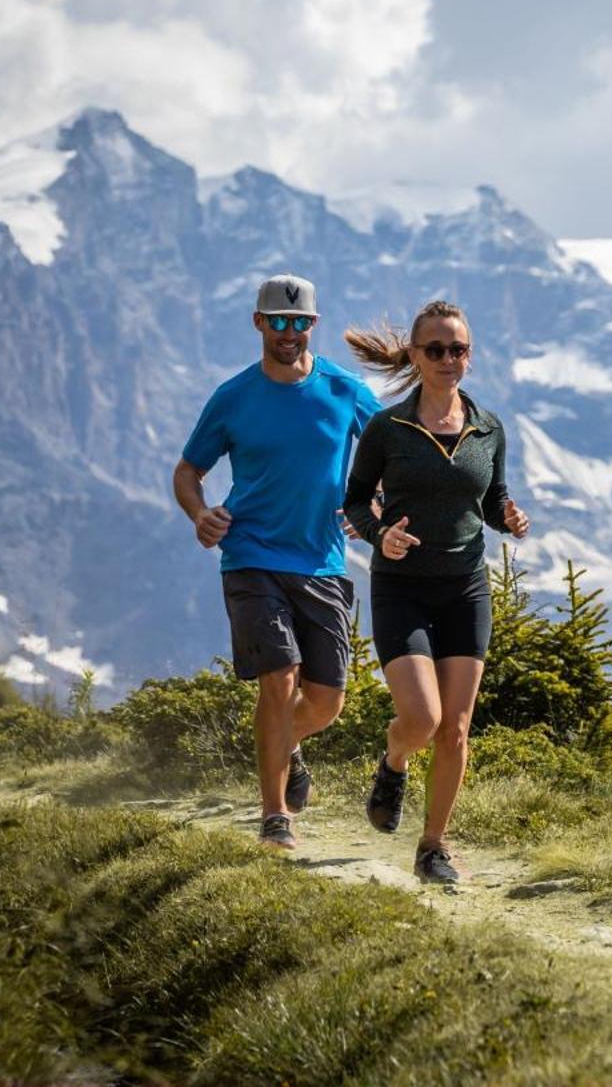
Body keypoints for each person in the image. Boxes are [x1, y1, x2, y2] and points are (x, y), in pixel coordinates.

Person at [174, 274, 381, 850]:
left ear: (312, 325)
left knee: (326, 702)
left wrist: (377, 503)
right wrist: (200, 515)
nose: (289, 333)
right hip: (251, 555)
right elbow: (188, 471)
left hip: (322, 562)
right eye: (278, 321)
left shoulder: (345, 390)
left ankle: (283, 743)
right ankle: (275, 816)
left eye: (300, 322)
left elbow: (394, 450)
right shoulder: (233, 396)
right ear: (258, 321)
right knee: (278, 680)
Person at [341, 299, 530, 885]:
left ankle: (433, 847)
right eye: (437, 350)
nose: (450, 359)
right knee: (421, 719)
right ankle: (394, 761)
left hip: (466, 588)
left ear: (469, 356)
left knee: (456, 725)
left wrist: (509, 517)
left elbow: (492, 498)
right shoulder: (386, 429)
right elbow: (353, 500)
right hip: (402, 590)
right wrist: (380, 536)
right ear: (416, 357)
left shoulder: (489, 427)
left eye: (460, 349)